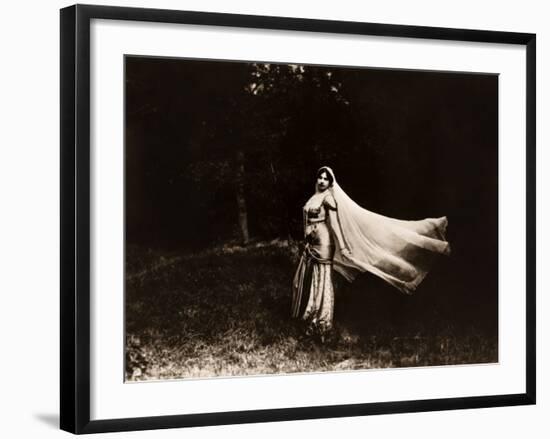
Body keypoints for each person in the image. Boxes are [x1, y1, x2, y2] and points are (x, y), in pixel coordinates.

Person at [291, 166, 451, 335]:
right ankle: (310, 313)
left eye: (326, 179)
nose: (322, 181)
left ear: (331, 182)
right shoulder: (313, 197)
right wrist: (305, 238)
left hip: (324, 242)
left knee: (323, 277)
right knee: (314, 276)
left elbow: (335, 225)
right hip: (312, 243)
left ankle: (322, 320)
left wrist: (343, 247)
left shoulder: (329, 199)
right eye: (320, 178)